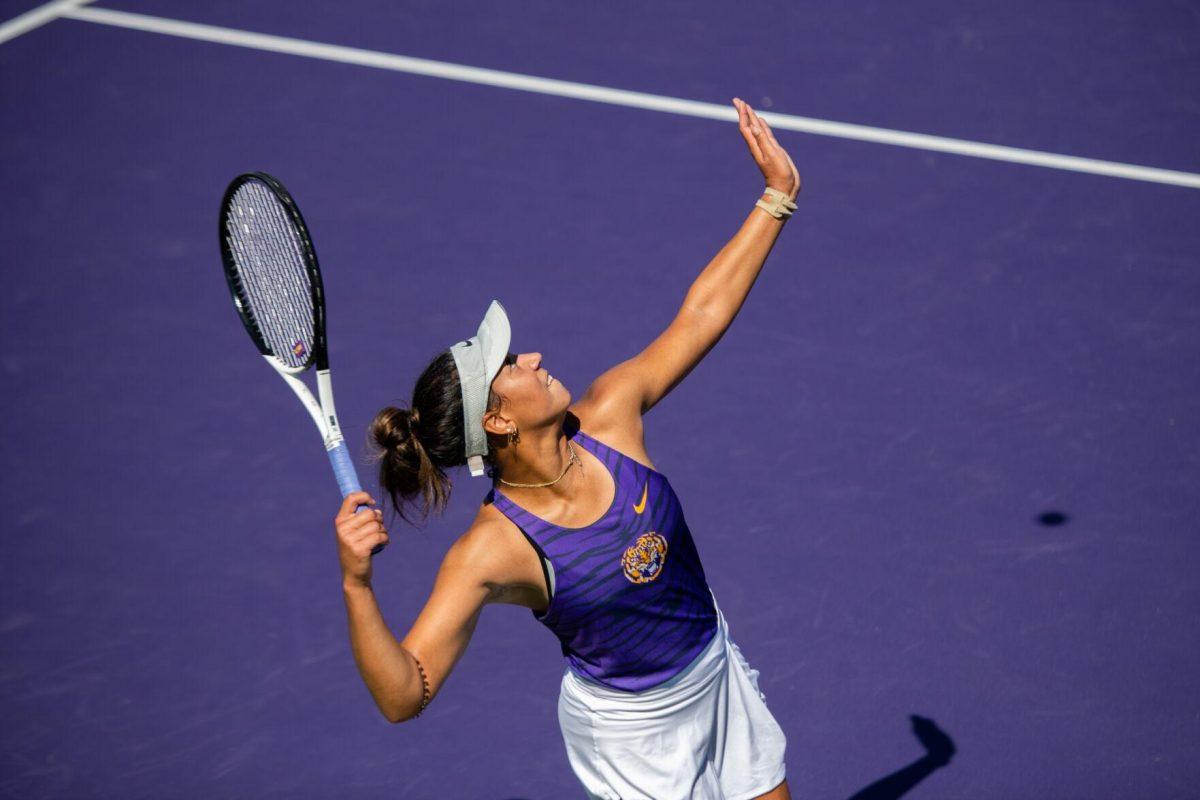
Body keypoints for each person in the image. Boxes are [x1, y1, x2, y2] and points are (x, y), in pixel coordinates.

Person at [334, 97, 800, 800]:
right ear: (497, 423)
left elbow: (700, 315)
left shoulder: (610, 414)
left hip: (713, 668)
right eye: (513, 366)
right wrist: (357, 585)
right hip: (633, 738)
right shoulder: (492, 551)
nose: (534, 356)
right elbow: (407, 693)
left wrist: (777, 198)